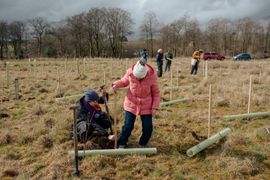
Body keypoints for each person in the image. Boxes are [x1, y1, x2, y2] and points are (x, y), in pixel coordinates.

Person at [112, 59, 160, 148]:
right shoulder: (130, 73)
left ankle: (142, 144)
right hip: (131, 102)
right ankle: (122, 143)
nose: (137, 79)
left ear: (144, 75)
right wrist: (116, 85)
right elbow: (123, 81)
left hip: (146, 104)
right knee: (128, 125)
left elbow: (156, 93)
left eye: (139, 78)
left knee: (148, 128)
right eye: (136, 77)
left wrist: (154, 107)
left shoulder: (151, 76)